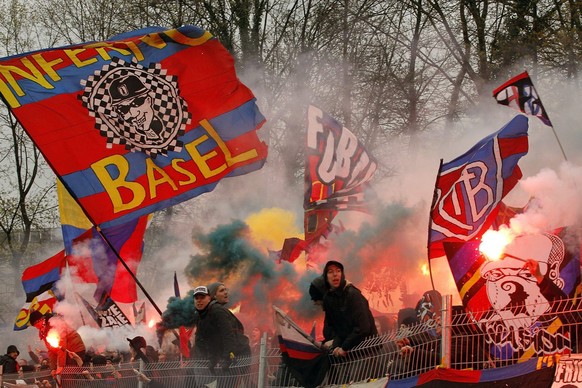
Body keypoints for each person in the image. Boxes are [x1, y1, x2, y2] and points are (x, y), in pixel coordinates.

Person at [193, 285, 250, 387]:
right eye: (196, 298)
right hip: (224, 356)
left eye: (202, 298)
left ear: (210, 298)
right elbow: (207, 340)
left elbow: (228, 335)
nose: (199, 301)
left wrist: (227, 357)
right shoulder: (201, 315)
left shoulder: (217, 310)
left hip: (239, 353)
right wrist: (212, 359)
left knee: (232, 384)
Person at [321, 260, 377, 356]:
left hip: (366, 351)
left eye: (338, 271)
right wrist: (336, 345)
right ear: (326, 277)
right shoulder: (328, 298)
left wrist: (344, 347)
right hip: (347, 352)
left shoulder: (353, 294)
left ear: (342, 274)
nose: (335, 274)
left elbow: (363, 327)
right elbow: (333, 327)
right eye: (330, 272)